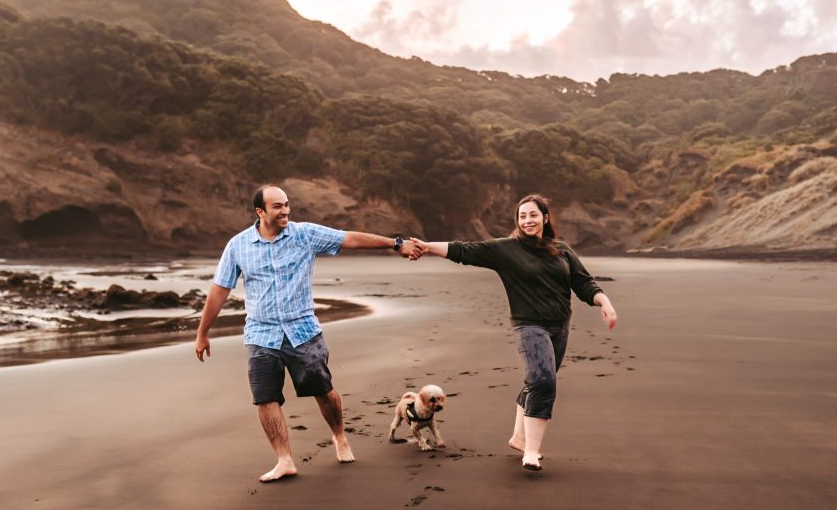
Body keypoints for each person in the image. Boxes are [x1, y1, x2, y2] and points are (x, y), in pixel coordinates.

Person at [195, 184, 424, 482]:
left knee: (323, 390)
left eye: (287, 204)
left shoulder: (304, 234)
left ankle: (339, 436)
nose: (286, 211)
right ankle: (284, 459)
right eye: (278, 206)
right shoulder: (238, 246)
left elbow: (349, 238)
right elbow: (219, 290)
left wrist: (396, 244)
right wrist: (203, 333)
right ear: (260, 211)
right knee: (265, 398)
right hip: (260, 334)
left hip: (302, 330)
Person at [411, 194, 617, 472]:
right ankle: (531, 452)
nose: (527, 220)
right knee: (544, 382)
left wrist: (604, 302)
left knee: (537, 381)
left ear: (545, 218)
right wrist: (426, 247)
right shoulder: (507, 249)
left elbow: (583, 283)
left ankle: (519, 439)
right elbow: (464, 251)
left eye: (533, 215)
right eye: (522, 216)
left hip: (560, 326)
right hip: (529, 325)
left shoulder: (562, 250)